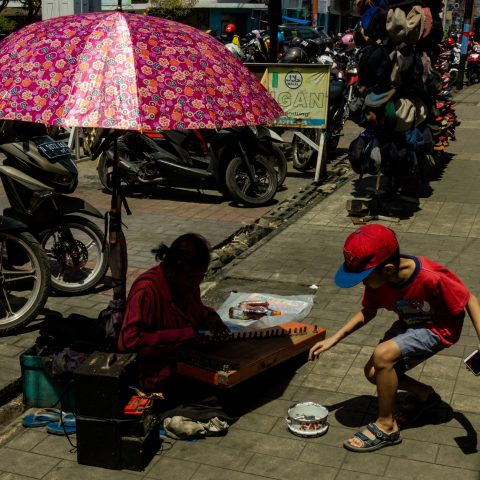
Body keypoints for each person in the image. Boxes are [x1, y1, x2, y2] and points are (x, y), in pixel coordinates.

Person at [308, 224, 480, 452]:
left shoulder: (430, 276)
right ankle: (424, 395)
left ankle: (387, 426)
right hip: (410, 323)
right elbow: (368, 311)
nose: (363, 283)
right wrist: (334, 339)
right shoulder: (378, 279)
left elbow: (469, 299)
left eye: (364, 278)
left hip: (439, 328)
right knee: (373, 372)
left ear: (388, 269)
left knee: (383, 355)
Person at [118, 233, 229, 392]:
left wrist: (208, 315)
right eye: (191, 278)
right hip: (157, 376)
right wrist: (185, 335)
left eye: (200, 277)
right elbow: (128, 341)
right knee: (217, 395)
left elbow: (193, 312)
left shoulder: (188, 285)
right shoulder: (146, 291)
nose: (196, 283)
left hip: (186, 362)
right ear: (171, 271)